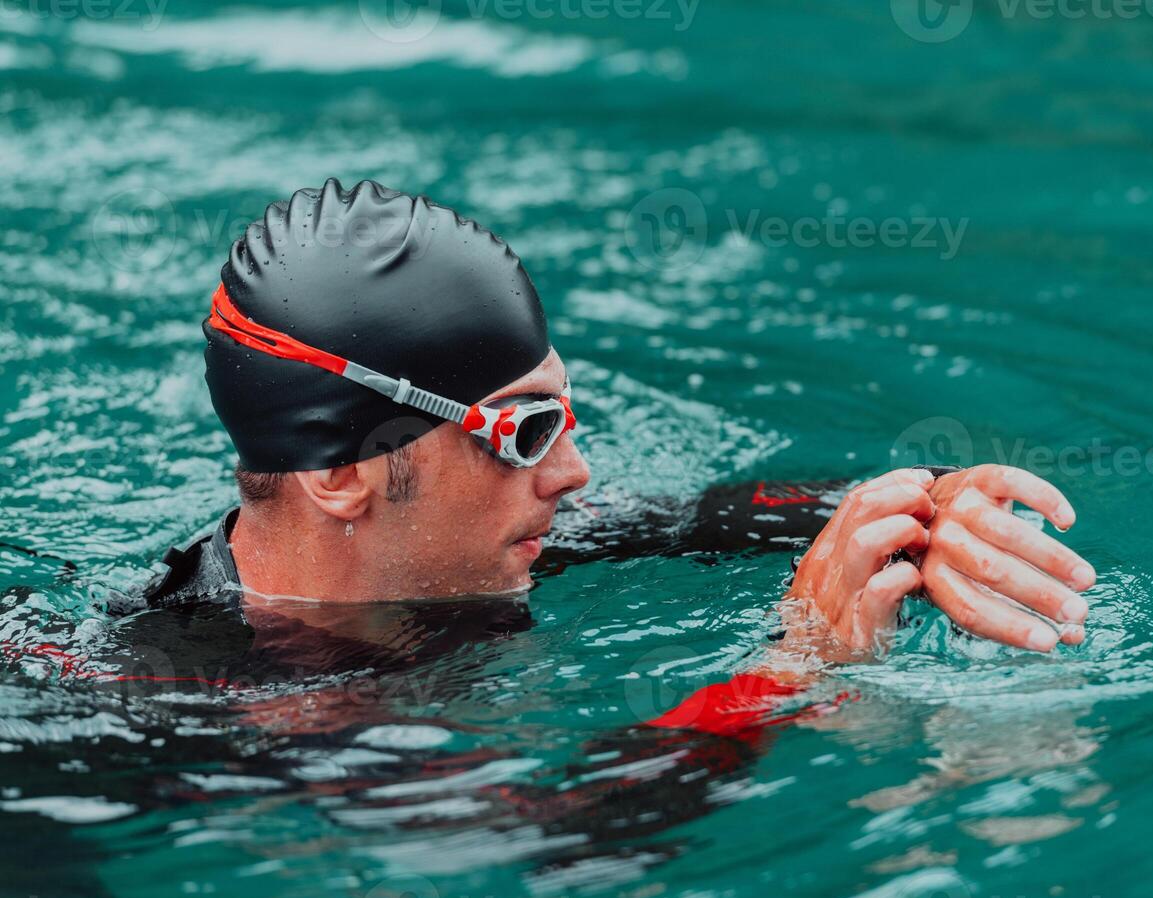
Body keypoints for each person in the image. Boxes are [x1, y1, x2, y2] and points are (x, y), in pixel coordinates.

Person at [131, 178, 1097, 658]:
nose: (574, 475)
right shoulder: (162, 703)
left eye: (564, 413)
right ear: (342, 474)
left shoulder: (503, 538)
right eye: (524, 433)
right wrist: (791, 671)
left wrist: (935, 503)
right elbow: (551, 870)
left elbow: (752, 512)